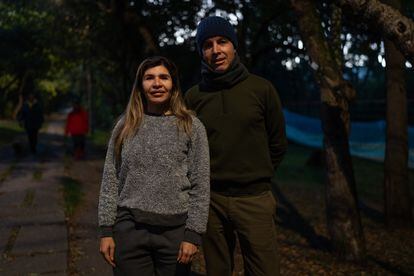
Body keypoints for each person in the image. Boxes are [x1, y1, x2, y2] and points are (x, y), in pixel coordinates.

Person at [184, 16, 288, 276]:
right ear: (201, 52)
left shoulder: (262, 89)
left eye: (222, 42)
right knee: (217, 271)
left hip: (254, 198)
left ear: (234, 46)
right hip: (211, 201)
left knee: (265, 270)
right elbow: (187, 149)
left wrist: (255, 176)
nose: (216, 50)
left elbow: (277, 143)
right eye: (207, 45)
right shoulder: (193, 97)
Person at [98, 56, 210, 276]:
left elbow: (200, 184)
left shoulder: (191, 126)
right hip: (129, 231)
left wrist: (193, 234)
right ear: (140, 85)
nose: (157, 83)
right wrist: (105, 231)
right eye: (149, 78)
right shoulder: (126, 125)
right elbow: (111, 178)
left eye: (163, 77)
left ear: (173, 84)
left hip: (175, 234)